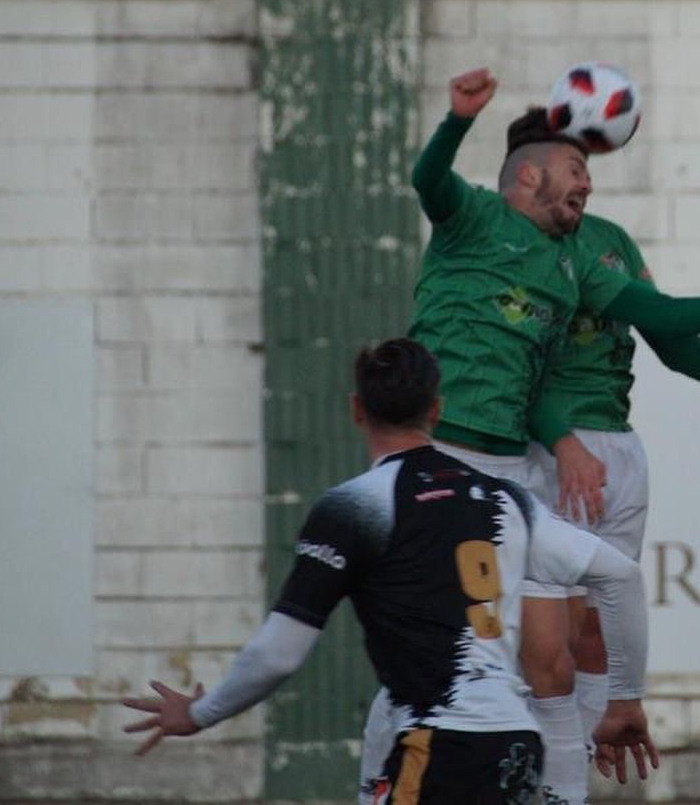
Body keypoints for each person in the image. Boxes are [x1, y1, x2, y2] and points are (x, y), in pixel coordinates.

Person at [398, 68, 700, 804]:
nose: (587, 179)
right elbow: (534, 375)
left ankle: (570, 775)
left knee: (593, 622)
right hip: (527, 456)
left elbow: (664, 321)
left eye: (589, 163)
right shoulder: (482, 222)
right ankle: (443, 777)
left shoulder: (593, 253)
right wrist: (563, 441)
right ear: (525, 172)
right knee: (514, 646)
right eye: (573, 163)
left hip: (577, 455)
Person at [122, 338, 655, 805]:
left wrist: (202, 713)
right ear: (437, 409)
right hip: (515, 741)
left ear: (357, 410)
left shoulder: (354, 506)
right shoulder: (506, 498)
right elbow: (621, 577)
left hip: (435, 742)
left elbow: (279, 651)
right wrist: (625, 695)